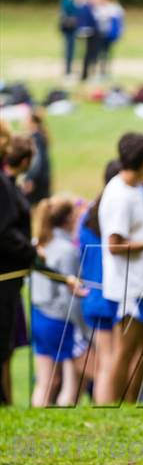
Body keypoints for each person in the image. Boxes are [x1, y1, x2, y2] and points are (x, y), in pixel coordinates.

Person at [98, 133, 143, 405]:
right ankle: (112, 407)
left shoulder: (134, 189)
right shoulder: (119, 195)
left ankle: (130, 403)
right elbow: (114, 244)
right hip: (128, 286)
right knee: (124, 351)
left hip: (142, 283)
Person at [31, 196, 83, 407]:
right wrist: (81, 325)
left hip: (38, 315)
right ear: (68, 219)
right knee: (68, 380)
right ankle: (65, 414)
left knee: (45, 380)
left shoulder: (39, 245)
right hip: (60, 318)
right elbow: (68, 295)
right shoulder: (67, 250)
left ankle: (38, 415)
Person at [78, 159, 120, 403]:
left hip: (92, 294)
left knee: (106, 357)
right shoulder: (112, 211)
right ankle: (106, 405)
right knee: (110, 359)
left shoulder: (88, 214)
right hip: (109, 293)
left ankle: (105, 404)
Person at [0, 135, 36, 405]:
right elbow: (6, 231)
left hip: (12, 276)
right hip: (5, 274)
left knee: (7, 344)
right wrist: (31, 251)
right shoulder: (4, 186)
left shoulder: (10, 185)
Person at [22, 110, 52, 206]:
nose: (24, 122)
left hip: (37, 181)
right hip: (43, 178)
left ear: (32, 122)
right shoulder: (41, 136)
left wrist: (30, 178)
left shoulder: (35, 138)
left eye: (26, 120)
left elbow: (37, 161)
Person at [92, 0, 124, 78]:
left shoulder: (114, 8)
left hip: (108, 34)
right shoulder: (95, 7)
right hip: (98, 34)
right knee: (97, 53)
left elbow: (119, 22)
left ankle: (104, 72)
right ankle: (96, 71)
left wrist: (119, 33)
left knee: (106, 53)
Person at [59, 0, 79, 77]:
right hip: (69, 27)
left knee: (73, 49)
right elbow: (67, 11)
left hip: (74, 27)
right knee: (69, 49)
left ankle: (70, 69)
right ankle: (68, 70)